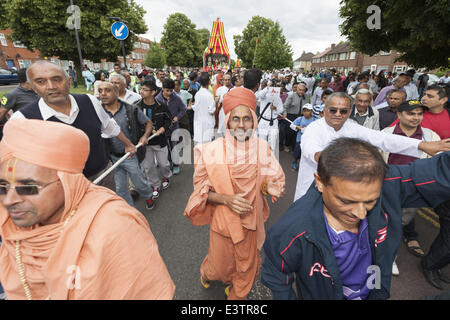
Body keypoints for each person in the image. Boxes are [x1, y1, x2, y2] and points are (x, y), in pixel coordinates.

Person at [0, 118, 175, 300]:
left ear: (68, 182)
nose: (9, 200)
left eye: (28, 187)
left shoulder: (115, 227)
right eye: (2, 187)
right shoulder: (10, 226)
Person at [261, 137, 450, 300]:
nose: (360, 214)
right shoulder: (291, 231)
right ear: (320, 182)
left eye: (371, 201)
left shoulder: (388, 183)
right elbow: (276, 278)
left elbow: (441, 171)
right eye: (346, 201)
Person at [184, 87, 285, 300]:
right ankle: (208, 272)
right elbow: (200, 191)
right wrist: (225, 199)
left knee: (247, 266)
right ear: (227, 121)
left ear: (254, 121)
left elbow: (268, 179)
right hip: (223, 221)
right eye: (235, 119)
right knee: (219, 266)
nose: (241, 125)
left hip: (251, 219)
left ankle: (238, 294)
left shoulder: (262, 148)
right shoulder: (211, 150)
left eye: (246, 119)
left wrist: (268, 187)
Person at [293, 92, 450, 202]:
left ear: (349, 112)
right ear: (325, 110)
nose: (338, 114)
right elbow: (311, 150)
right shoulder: (313, 129)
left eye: (343, 111)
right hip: (312, 189)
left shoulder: (351, 127)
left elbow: (382, 138)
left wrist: (421, 145)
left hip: (341, 190)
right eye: (333, 110)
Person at [10, 60, 136, 190]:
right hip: (62, 188)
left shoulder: (90, 101)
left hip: (103, 176)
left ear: (69, 81)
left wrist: (128, 144)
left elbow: (109, 126)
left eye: (57, 79)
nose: (51, 86)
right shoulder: (21, 120)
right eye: (41, 81)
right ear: (33, 87)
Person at [381, 100, 441, 276]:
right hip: (388, 186)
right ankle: (388, 257)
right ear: (399, 115)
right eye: (411, 113)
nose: (416, 117)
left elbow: (437, 162)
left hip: (414, 190)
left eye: (419, 114)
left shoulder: (430, 137)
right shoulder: (386, 134)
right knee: (385, 222)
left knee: (401, 222)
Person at [98, 81, 154, 209]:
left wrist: (144, 136)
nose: (103, 94)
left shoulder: (131, 109)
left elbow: (148, 123)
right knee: (120, 188)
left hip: (130, 155)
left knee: (139, 183)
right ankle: (130, 211)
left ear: (116, 93)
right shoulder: (98, 111)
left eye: (107, 90)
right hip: (112, 157)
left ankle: (148, 196)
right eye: (100, 91)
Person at [137, 80, 173, 200]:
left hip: (160, 142)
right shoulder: (136, 106)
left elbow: (169, 120)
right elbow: (135, 124)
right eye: (141, 89)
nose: (141, 91)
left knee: (164, 164)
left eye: (144, 89)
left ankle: (166, 176)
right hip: (145, 143)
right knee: (149, 166)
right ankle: (155, 185)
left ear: (153, 92)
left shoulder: (162, 106)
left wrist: (163, 128)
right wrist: (145, 132)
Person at [156, 78, 187, 175]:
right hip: (163, 129)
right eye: (167, 90)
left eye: (171, 90)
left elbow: (183, 109)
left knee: (174, 147)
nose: (169, 93)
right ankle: (169, 163)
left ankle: (176, 164)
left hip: (174, 128)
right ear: (162, 88)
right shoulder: (157, 99)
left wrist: (178, 117)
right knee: (166, 148)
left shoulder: (176, 98)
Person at [0, 68, 39, 139]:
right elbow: (1, 113)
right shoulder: (11, 95)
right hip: (27, 132)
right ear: (28, 81)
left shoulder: (40, 90)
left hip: (43, 127)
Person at [283, 83, 309, 152]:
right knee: (289, 132)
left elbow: (307, 106)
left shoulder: (306, 97)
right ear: (297, 89)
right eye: (300, 90)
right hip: (291, 116)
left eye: (303, 90)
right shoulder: (291, 96)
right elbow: (285, 106)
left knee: (297, 132)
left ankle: (295, 147)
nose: (301, 92)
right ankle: (287, 145)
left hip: (301, 116)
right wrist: (285, 114)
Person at [191, 72, 216, 145]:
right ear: (209, 82)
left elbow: (195, 107)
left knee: (200, 146)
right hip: (207, 123)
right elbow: (211, 110)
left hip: (199, 123)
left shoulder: (197, 94)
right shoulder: (209, 95)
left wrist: (191, 106)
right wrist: (215, 102)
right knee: (207, 146)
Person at [290, 103, 316, 171]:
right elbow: (291, 125)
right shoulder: (300, 119)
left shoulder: (314, 120)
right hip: (300, 139)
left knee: (306, 154)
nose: (306, 112)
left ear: (311, 111)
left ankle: (305, 166)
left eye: (308, 110)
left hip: (310, 140)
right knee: (297, 151)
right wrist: (297, 127)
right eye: (304, 110)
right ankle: (294, 162)